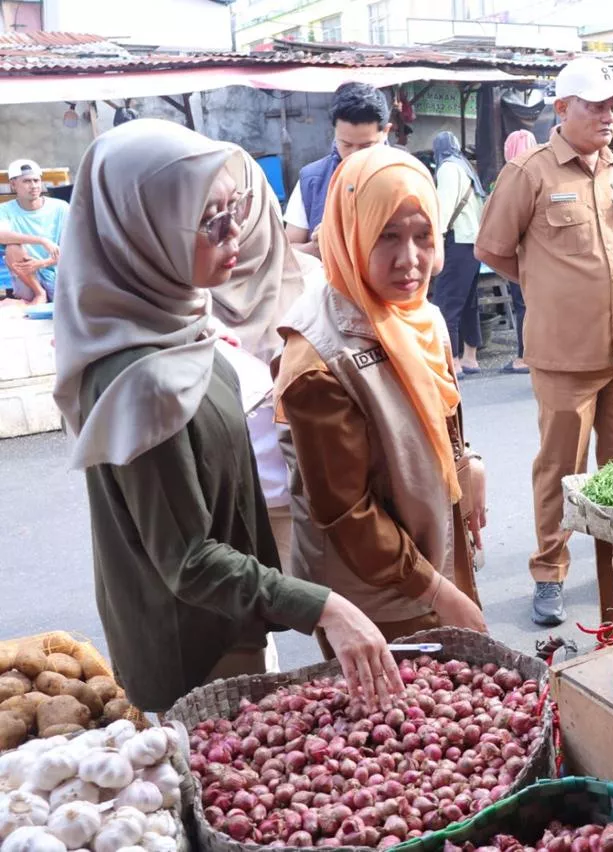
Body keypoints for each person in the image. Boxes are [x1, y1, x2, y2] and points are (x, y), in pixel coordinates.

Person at [51, 119, 400, 712]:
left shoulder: (177, 321)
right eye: (210, 221)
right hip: (194, 645)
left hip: (230, 617)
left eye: (234, 208)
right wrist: (323, 606)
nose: (235, 230)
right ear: (144, 233)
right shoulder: (142, 380)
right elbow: (188, 561)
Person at [274, 145, 487, 654]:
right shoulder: (318, 361)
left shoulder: (415, 313)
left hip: (430, 553)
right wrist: (438, 592)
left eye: (423, 236)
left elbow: (437, 417)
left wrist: (468, 464)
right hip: (375, 594)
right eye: (387, 236)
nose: (410, 259)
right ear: (351, 231)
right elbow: (346, 512)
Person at [475, 56, 613, 626]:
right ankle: (549, 573)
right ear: (561, 108)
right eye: (595, 106)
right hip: (563, 354)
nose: (607, 116)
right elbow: (491, 247)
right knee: (561, 468)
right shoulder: (530, 173)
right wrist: (543, 286)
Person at [209, 156, 313, 571]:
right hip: (222, 515)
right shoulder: (181, 302)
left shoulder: (317, 284)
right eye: (210, 211)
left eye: (237, 204)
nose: (229, 225)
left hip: (320, 504)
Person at [284, 82, 392, 257]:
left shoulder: (409, 177)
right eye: (346, 144)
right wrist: (319, 246)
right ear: (335, 131)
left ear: (386, 131)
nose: (354, 155)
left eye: (366, 146)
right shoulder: (312, 180)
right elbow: (287, 252)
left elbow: (433, 257)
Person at [430, 131, 485, 375]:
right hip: (472, 243)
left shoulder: (448, 169)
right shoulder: (465, 166)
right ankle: (470, 357)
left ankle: (452, 361)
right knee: (468, 303)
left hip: (456, 241)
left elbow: (444, 207)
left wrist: (436, 238)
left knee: (446, 302)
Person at [1, 159, 70, 304]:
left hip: (59, 271)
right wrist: (41, 240)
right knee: (12, 247)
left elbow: (74, 249)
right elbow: (2, 235)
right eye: (27, 181)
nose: (33, 186)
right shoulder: (5, 210)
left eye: (36, 180)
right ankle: (40, 293)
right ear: (13, 184)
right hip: (28, 276)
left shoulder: (61, 208)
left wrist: (42, 263)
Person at [500, 130, 537, 374]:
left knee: (523, 305)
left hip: (520, 254)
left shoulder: (512, 176)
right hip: (542, 258)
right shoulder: (545, 170)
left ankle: (525, 356)